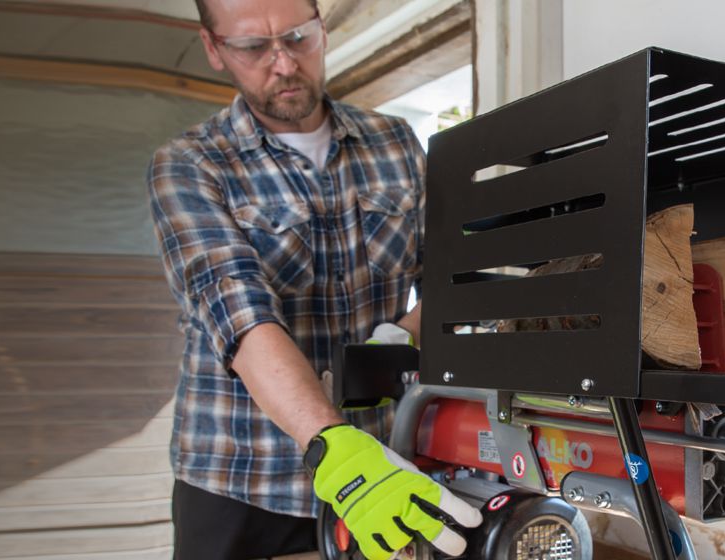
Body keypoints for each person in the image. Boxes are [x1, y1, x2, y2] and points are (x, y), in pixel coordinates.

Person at [146, 0, 481, 558]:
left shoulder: (395, 142)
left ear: (322, 30)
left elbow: (453, 278)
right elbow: (240, 315)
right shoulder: (189, 164)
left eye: (298, 38)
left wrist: (408, 335)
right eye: (254, 47)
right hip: (239, 476)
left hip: (384, 464)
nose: (283, 64)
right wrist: (335, 448)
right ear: (214, 48)